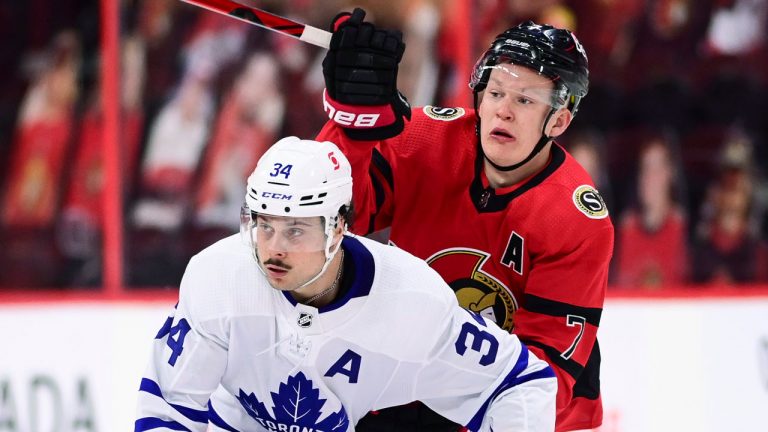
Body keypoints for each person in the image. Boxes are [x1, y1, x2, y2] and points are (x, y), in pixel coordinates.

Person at [317, 9, 614, 431]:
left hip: (524, 407)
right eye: (495, 93)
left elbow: (546, 377)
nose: (503, 111)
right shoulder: (425, 141)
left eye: (525, 100)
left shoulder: (573, 219)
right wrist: (350, 125)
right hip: (414, 383)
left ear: (560, 120)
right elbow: (330, 222)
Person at [134, 136, 557, 432]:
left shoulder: (412, 301)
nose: (273, 249)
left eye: (295, 230)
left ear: (338, 227)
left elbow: (518, 380)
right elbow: (167, 411)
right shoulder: (219, 278)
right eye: (264, 225)